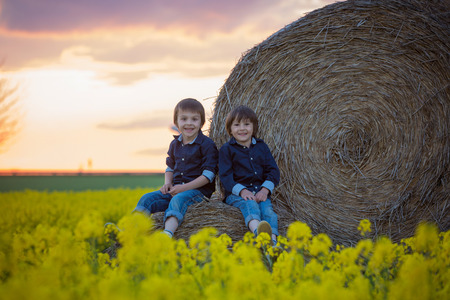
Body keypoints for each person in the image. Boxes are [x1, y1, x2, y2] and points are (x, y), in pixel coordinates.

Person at [133, 98, 218, 238]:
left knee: (177, 200)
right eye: (184, 119)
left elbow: (208, 176)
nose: (189, 123)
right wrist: (167, 184)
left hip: (198, 193)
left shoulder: (207, 145)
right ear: (176, 122)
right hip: (176, 189)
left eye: (194, 119)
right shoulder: (175, 144)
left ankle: (168, 233)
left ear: (201, 122)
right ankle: (130, 230)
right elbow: (170, 168)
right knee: (147, 198)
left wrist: (183, 188)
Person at [219, 105, 280, 245]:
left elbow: (273, 171)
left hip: (260, 192)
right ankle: (259, 234)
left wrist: (265, 190)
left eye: (247, 124)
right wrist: (242, 191)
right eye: (237, 125)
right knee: (250, 205)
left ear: (254, 127)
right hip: (236, 194)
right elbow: (225, 176)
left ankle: (273, 243)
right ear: (230, 129)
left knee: (269, 212)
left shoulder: (261, 147)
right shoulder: (226, 150)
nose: (242, 128)